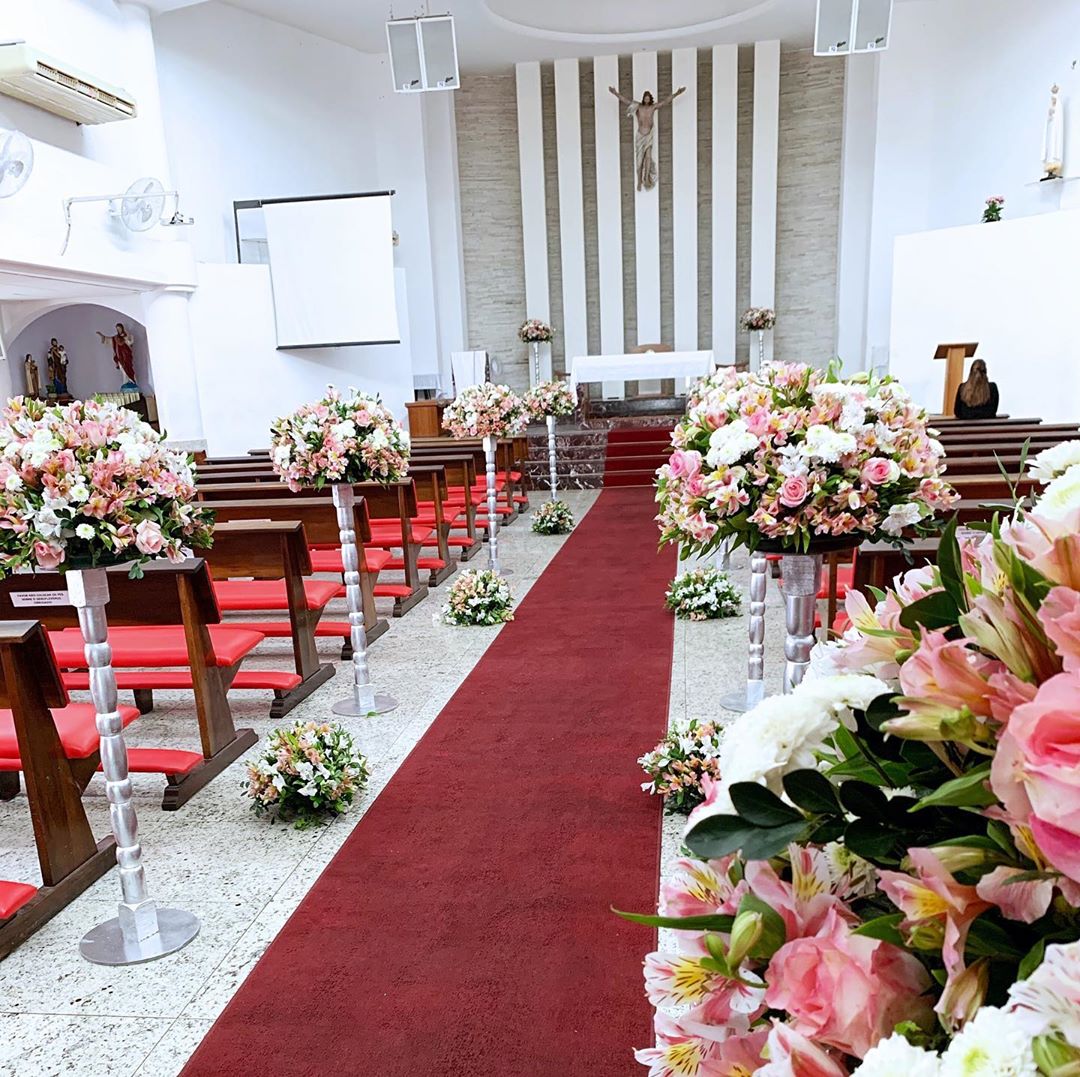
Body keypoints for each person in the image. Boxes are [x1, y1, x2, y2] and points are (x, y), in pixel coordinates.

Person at [608, 84, 686, 191]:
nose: (647, 99)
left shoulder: (652, 107)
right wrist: (615, 93)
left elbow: (665, 102)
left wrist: (677, 93)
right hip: (640, 136)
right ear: (643, 98)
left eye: (648, 98)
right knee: (639, 160)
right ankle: (639, 181)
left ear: (650, 99)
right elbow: (625, 101)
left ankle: (646, 178)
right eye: (645, 97)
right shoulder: (638, 106)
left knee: (648, 156)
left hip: (649, 135)